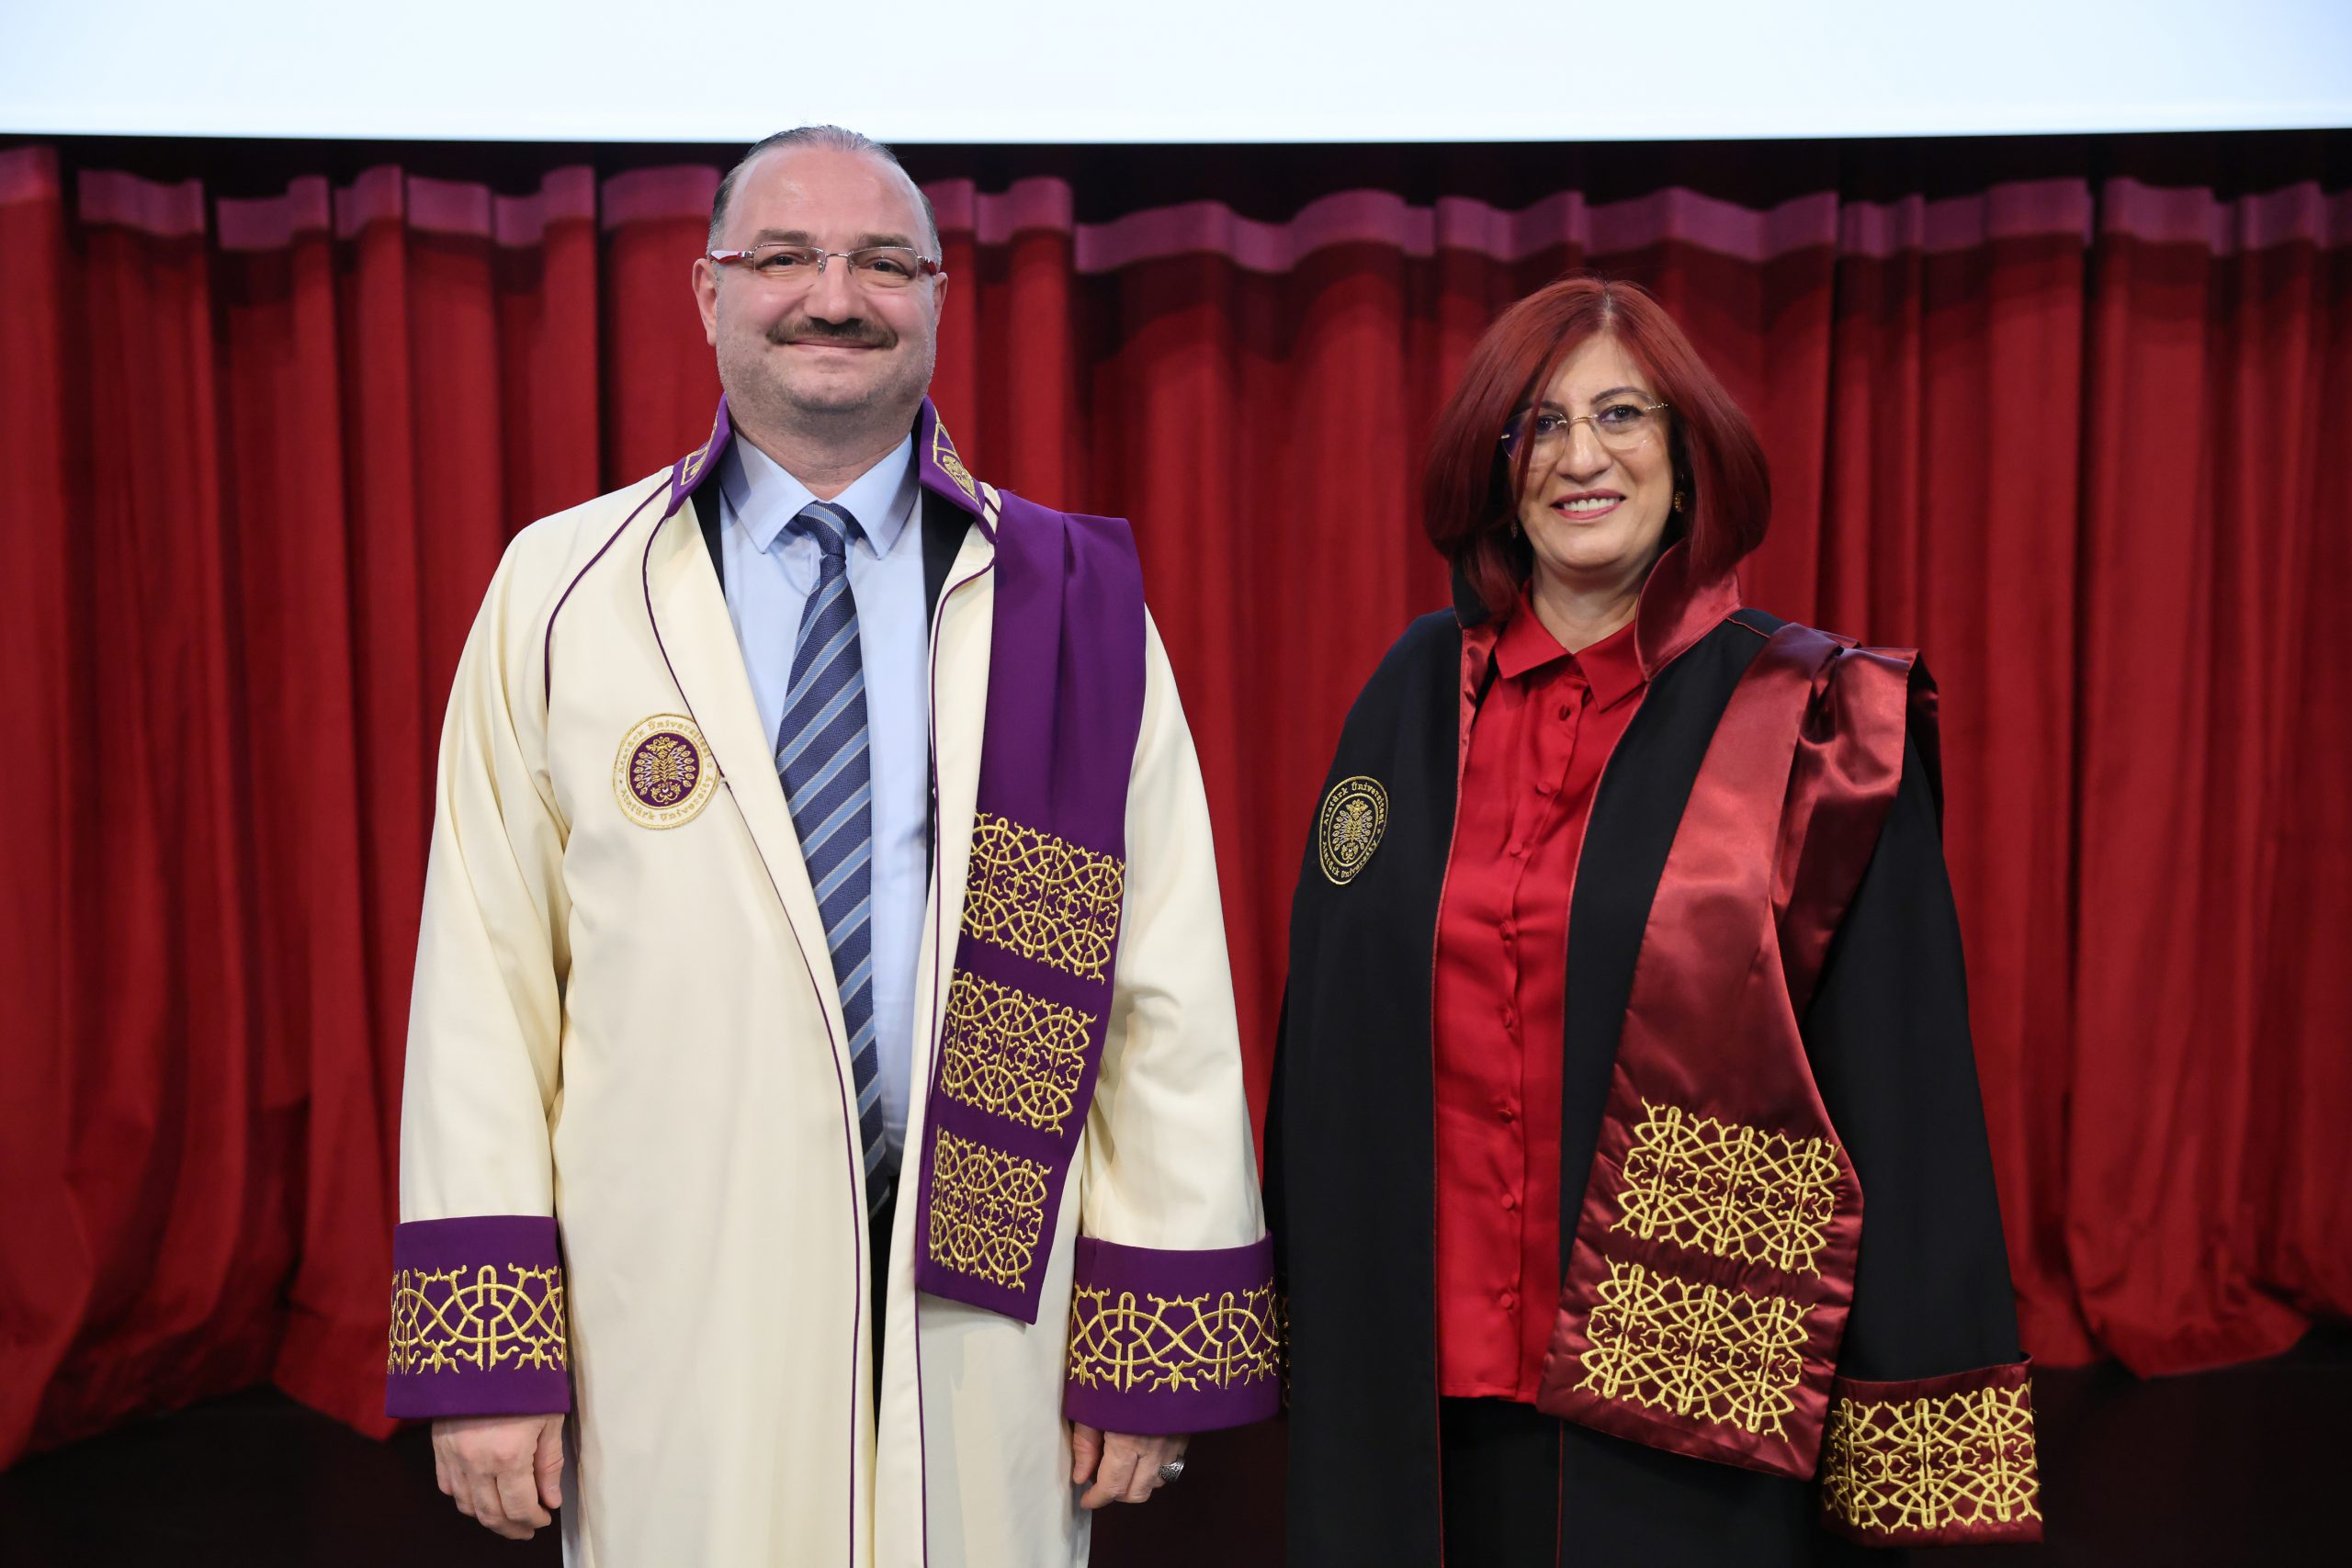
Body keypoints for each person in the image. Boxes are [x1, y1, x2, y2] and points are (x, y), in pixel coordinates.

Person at [387, 125, 1279, 1567]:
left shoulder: (1065, 601)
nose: (833, 297)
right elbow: (485, 990)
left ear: (937, 299)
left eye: (881, 263)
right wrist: (492, 1352)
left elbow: (1163, 989)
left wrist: (1147, 1329)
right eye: (785, 258)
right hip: (669, 1289)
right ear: (709, 293)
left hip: (986, 1284)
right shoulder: (564, 590)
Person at [1265, 276, 2041, 1564]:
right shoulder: (1410, 690)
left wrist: (1920, 1411)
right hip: (1414, 1381)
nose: (1582, 457)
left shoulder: (1820, 724)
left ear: (1688, 455)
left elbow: (1902, 1088)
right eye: (1539, 424)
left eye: (1622, 415)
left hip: (1688, 1390)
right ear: (1496, 467)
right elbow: (1326, 1031)